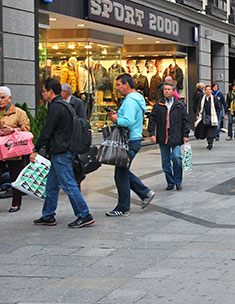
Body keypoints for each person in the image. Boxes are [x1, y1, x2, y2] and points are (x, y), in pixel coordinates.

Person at [30, 79, 94, 227]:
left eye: (44, 91)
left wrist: (36, 149)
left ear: (50, 92)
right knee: (51, 185)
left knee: (69, 185)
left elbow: (47, 130)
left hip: (61, 152)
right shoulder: (66, 105)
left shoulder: (55, 107)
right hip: (63, 150)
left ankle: (84, 214)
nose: (43, 94)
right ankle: (48, 215)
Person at [106, 74, 155, 217]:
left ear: (126, 84)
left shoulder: (130, 101)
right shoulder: (136, 99)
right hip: (133, 140)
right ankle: (144, 193)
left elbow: (128, 121)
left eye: (119, 85)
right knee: (122, 171)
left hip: (129, 141)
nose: (117, 88)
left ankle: (124, 206)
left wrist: (116, 119)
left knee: (120, 173)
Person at [148, 82, 190, 191]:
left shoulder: (179, 105)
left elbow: (185, 120)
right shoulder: (158, 105)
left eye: (169, 89)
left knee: (177, 157)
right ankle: (170, 182)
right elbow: (152, 120)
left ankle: (178, 181)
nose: (166, 91)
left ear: (173, 91)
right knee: (165, 162)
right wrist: (152, 133)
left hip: (176, 135)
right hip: (163, 135)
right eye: (165, 89)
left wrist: (186, 134)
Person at [0, 87, 31, 213]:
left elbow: (27, 130)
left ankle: (16, 203)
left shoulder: (19, 113)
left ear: (9, 98)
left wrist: (13, 130)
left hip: (14, 151)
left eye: (3, 97)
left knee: (15, 177)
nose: (0, 100)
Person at [195, 85, 222, 150]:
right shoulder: (202, 99)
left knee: (211, 131)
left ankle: (210, 143)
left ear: (211, 91)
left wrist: (217, 115)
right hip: (204, 117)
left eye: (209, 89)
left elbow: (219, 107)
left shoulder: (214, 98)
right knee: (206, 130)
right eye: (206, 89)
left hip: (212, 117)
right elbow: (199, 107)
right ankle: (209, 142)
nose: (208, 91)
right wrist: (197, 115)